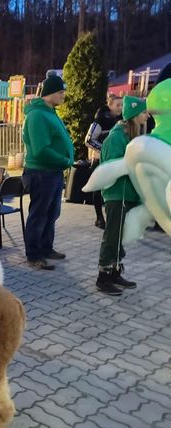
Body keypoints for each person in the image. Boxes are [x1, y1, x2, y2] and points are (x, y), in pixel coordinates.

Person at [95, 96, 148, 295]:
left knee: (121, 235)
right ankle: (103, 276)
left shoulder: (130, 137)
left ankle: (115, 271)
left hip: (128, 195)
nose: (146, 115)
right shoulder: (116, 138)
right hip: (117, 195)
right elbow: (112, 166)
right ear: (133, 115)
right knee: (113, 234)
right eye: (143, 112)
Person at [22, 72, 74, 270]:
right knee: (39, 213)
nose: (63, 95)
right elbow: (40, 149)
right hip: (41, 172)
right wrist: (64, 160)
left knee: (51, 213)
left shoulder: (50, 113)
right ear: (50, 92)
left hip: (52, 172)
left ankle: (46, 247)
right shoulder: (37, 116)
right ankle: (34, 254)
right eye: (60, 92)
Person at [85, 93, 123, 229]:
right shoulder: (99, 121)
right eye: (117, 105)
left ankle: (112, 216)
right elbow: (89, 140)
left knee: (112, 188)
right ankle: (99, 217)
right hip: (99, 159)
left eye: (122, 105)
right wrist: (105, 150)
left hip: (113, 160)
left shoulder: (121, 121)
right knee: (98, 189)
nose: (120, 108)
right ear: (110, 105)